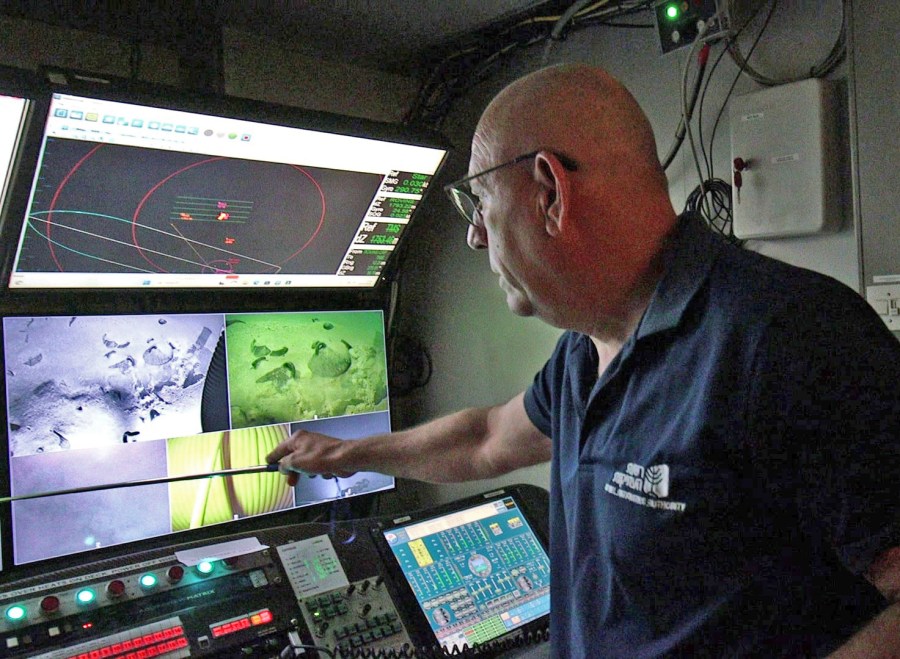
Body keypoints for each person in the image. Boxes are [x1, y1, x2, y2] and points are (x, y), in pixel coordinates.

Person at [268, 64, 900, 657]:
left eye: (479, 203)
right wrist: (348, 453)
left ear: (549, 191)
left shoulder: (787, 337)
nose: (474, 236)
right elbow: (486, 439)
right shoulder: (583, 348)